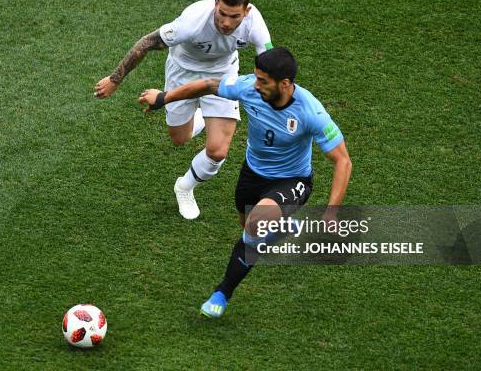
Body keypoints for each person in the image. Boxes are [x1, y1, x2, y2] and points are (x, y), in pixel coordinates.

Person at [139, 47, 352, 318]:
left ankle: (222, 293)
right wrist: (164, 97)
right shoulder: (249, 88)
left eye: (263, 81)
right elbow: (207, 85)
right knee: (250, 232)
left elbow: (343, 161)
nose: (256, 84)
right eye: (255, 77)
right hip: (252, 175)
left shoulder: (311, 113)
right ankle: (281, 226)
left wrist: (331, 212)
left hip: (292, 180)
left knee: (255, 225)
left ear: (285, 84)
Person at [94, 0, 273, 220]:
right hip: (182, 72)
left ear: (246, 11)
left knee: (218, 151)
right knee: (179, 138)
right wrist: (115, 79)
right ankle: (202, 117)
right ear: (215, 4)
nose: (226, 22)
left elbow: (269, 62)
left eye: (234, 17)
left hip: (223, 75)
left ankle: (185, 186)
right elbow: (146, 43)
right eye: (222, 14)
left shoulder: (254, 23)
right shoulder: (193, 22)